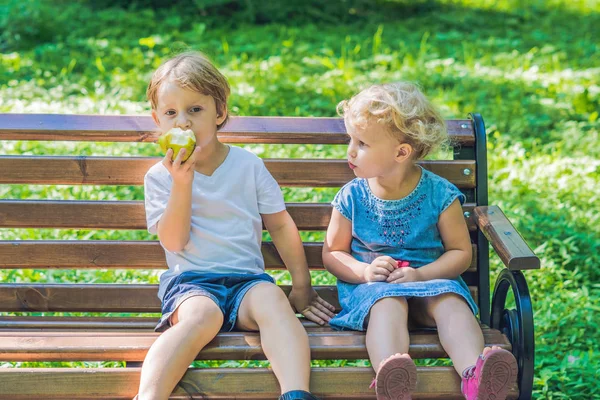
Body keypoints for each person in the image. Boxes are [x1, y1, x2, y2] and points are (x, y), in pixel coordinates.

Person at [139, 51, 335, 400]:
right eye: (171, 113)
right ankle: (150, 396)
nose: (183, 123)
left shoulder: (248, 166)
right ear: (158, 120)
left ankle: (296, 394)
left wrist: (301, 285)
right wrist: (181, 184)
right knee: (202, 317)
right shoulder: (160, 177)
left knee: (274, 302)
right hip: (192, 284)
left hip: (248, 281)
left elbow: (280, 225)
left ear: (220, 112)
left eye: (195, 110)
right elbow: (174, 241)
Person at [322, 82, 518, 400]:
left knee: (452, 306)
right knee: (388, 305)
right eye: (350, 140)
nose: (350, 150)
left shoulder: (439, 194)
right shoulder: (352, 197)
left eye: (362, 143)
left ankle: (476, 376)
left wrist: (421, 275)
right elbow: (333, 253)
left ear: (401, 152)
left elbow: (459, 252)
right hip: (376, 290)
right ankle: (392, 378)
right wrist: (364, 272)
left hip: (432, 284)